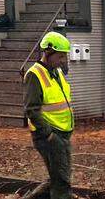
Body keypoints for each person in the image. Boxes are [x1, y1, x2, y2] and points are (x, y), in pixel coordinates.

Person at [23, 31, 74, 199]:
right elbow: (32, 109)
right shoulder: (34, 74)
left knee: (60, 175)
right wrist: (49, 135)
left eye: (64, 57)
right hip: (49, 135)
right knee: (61, 180)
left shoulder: (56, 72)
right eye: (60, 57)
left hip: (62, 133)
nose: (62, 61)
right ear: (48, 53)